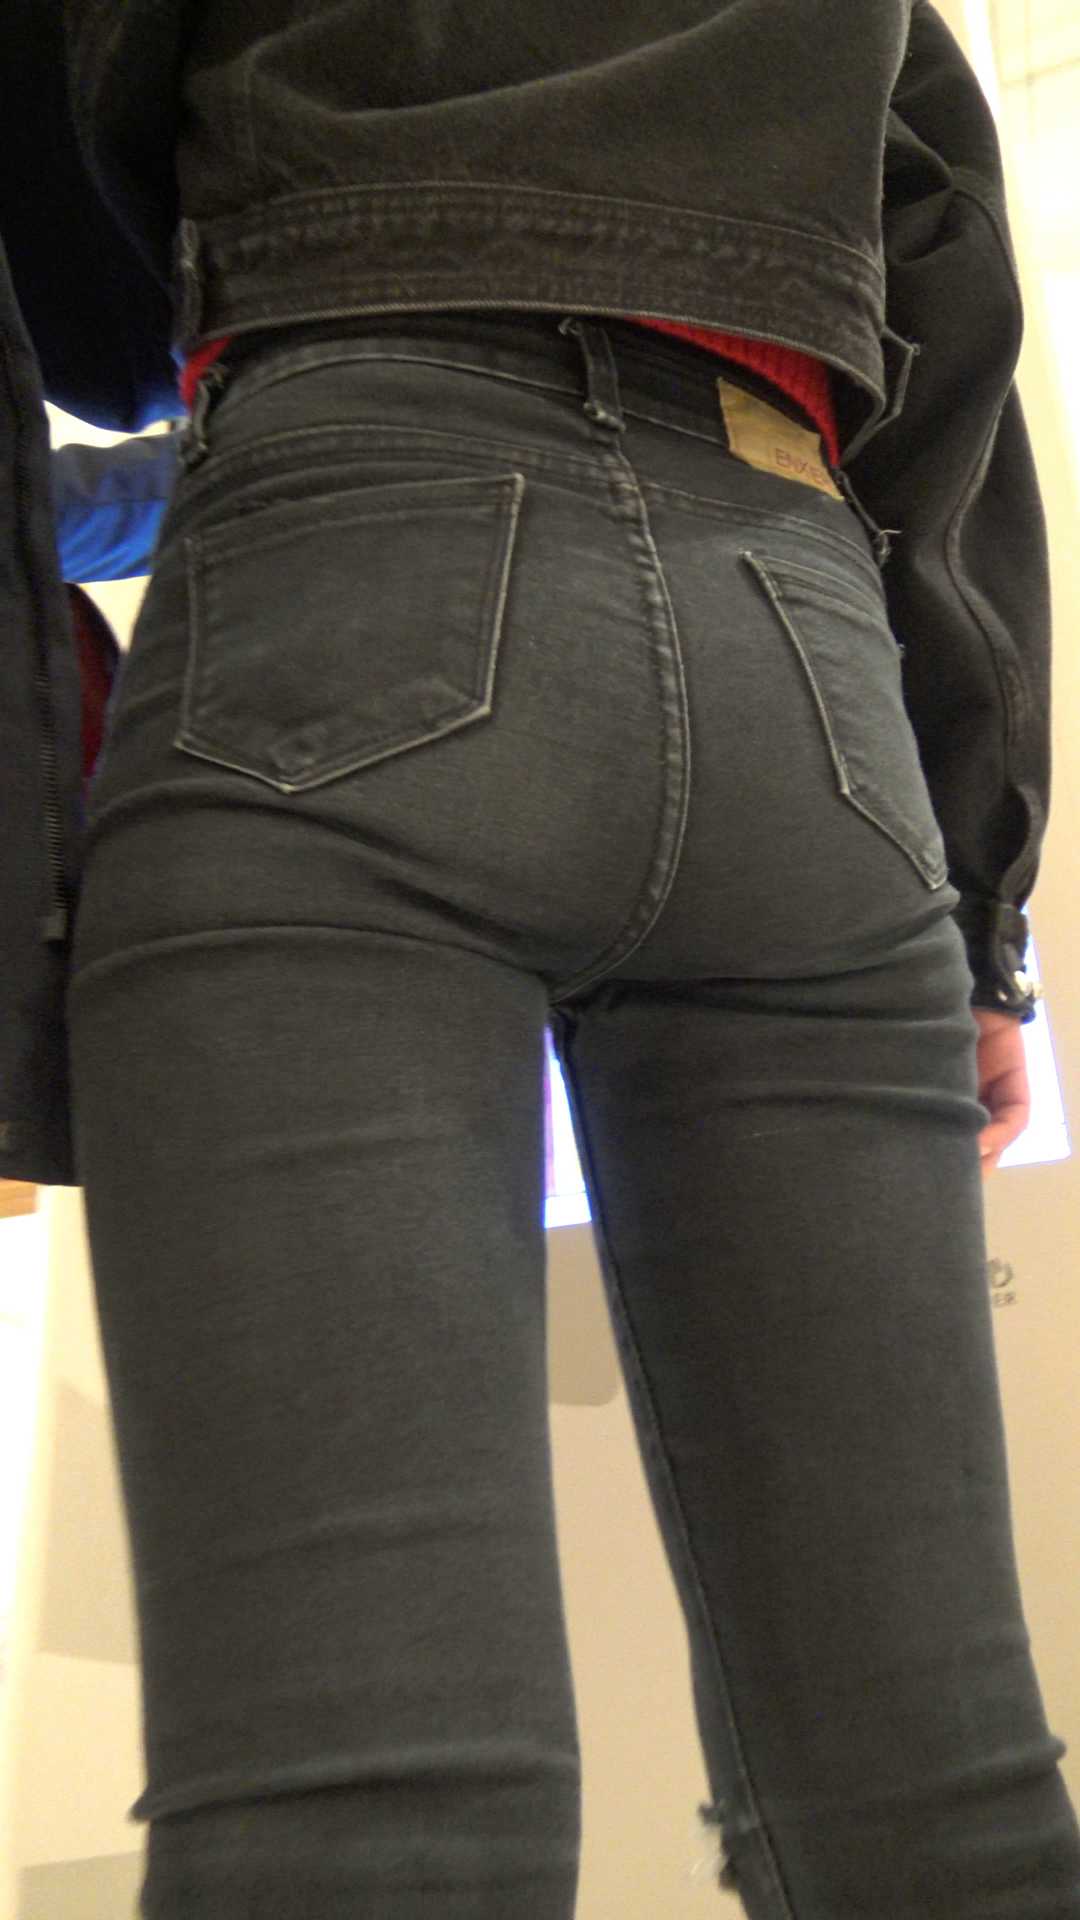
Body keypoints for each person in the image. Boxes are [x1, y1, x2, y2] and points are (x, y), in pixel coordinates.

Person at [5, 0, 1077, 1913]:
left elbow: (79, 253)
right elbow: (950, 268)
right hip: (798, 631)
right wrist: (979, 916)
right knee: (936, 1800)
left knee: (365, 1817)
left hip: (354, 544)